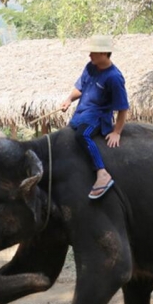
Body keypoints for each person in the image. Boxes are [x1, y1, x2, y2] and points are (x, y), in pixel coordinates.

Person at [60, 34, 129, 199]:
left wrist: (116, 132)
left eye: (93, 52)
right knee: (67, 137)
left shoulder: (114, 77)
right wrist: (69, 99)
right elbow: (80, 88)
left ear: (104, 53)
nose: (89, 55)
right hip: (81, 114)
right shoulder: (90, 67)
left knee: (82, 135)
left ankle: (102, 172)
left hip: (98, 117)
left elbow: (123, 108)